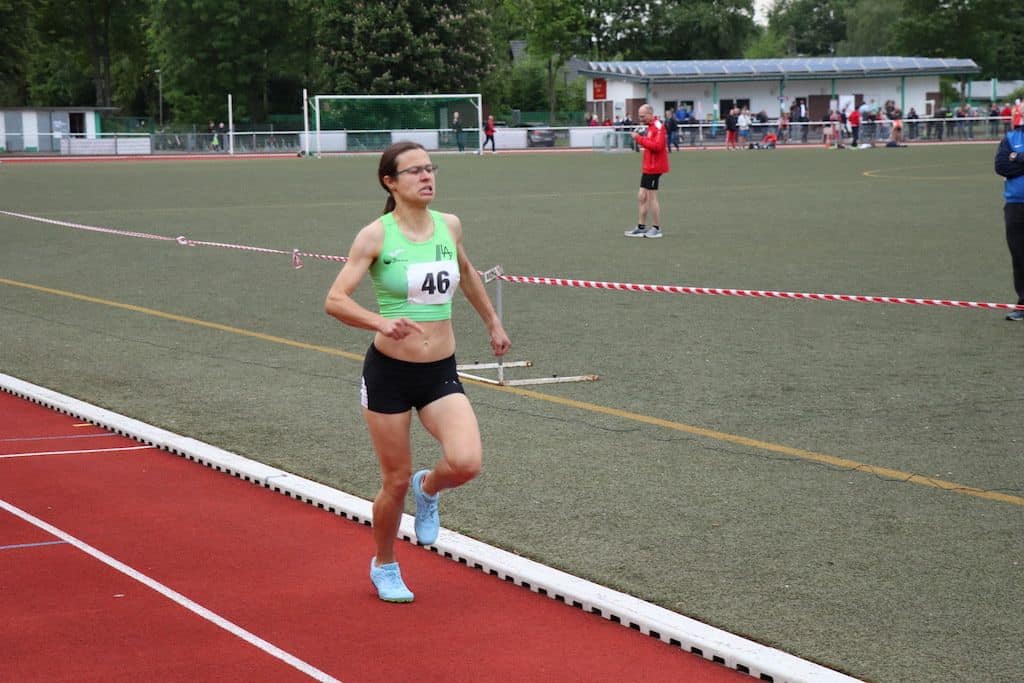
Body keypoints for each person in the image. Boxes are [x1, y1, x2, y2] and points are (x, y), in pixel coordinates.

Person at [324, 141, 512, 601]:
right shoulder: (375, 236)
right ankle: (384, 564)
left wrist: (492, 321)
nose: (427, 177)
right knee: (392, 481)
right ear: (390, 182)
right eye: (414, 171)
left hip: (438, 371)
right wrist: (379, 321)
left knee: (466, 462)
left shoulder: (450, 225)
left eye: (430, 168)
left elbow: (466, 273)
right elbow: (335, 300)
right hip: (389, 374)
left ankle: (428, 489)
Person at [623, 104, 669, 239]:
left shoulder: (658, 127)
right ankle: (641, 227)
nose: (640, 119)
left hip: (655, 168)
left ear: (650, 114)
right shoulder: (649, 127)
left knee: (651, 197)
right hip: (648, 167)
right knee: (642, 196)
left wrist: (639, 138)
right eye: (639, 116)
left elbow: (658, 147)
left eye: (642, 116)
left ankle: (656, 228)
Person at [994, 119, 1024, 321]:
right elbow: (1001, 166)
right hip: (1015, 206)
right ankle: (1023, 304)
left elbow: (1011, 163)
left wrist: (1017, 158)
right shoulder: (1011, 138)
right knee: (1019, 257)